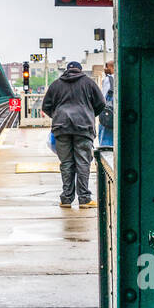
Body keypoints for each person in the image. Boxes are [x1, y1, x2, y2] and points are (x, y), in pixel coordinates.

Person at [41, 60, 106, 208]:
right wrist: (89, 114)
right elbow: (101, 103)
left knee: (66, 163)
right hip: (83, 127)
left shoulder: (56, 84)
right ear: (80, 70)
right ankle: (84, 199)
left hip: (61, 128)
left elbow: (46, 106)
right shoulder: (88, 83)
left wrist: (58, 116)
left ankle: (66, 199)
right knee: (83, 162)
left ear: (66, 70)